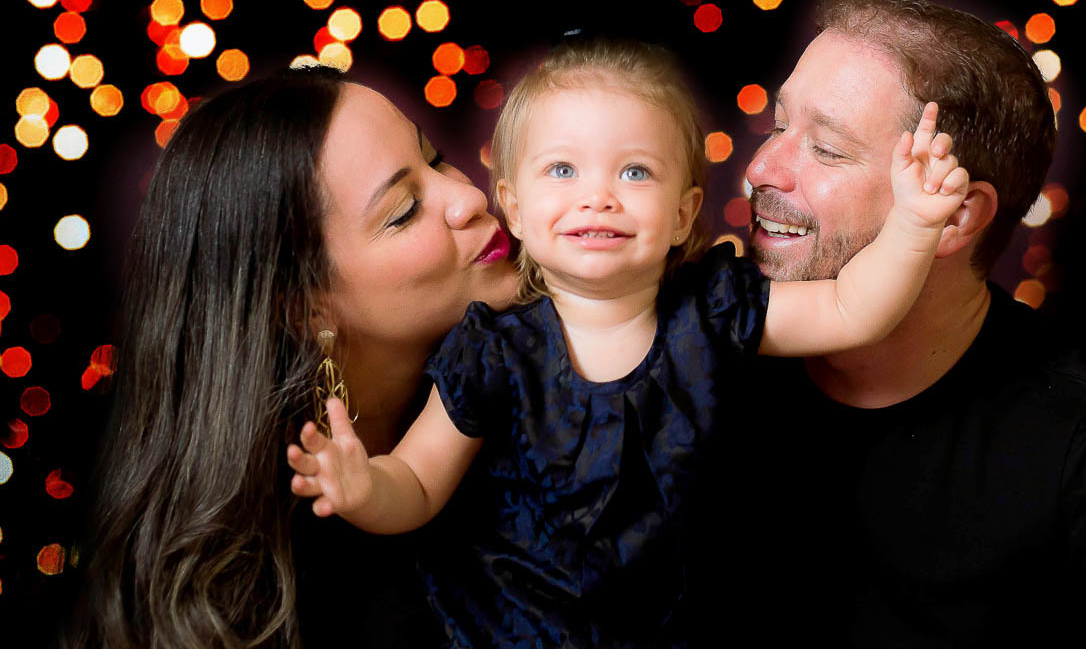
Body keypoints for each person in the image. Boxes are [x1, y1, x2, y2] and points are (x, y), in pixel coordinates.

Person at [286, 38, 970, 646]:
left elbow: (855, 309)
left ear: (682, 214)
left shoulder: (712, 310)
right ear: (515, 208)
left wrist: (913, 224)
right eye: (562, 171)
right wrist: (364, 488)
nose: (599, 197)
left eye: (635, 172)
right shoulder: (493, 352)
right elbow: (417, 483)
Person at [697, 0, 1086, 647]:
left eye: (827, 149)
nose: (762, 167)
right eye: (779, 126)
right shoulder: (697, 357)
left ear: (955, 217)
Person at [69, 66, 518, 648]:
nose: (469, 196)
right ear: (303, 309)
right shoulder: (269, 591)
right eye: (405, 209)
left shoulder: (558, 376)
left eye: (434, 161)